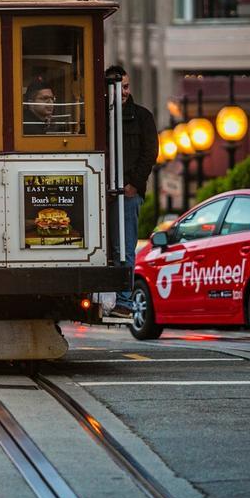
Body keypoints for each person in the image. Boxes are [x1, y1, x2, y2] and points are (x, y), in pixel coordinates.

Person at [105, 64, 158, 317]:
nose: (123, 92)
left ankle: (124, 301)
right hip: (104, 192)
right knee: (109, 248)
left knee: (125, 247)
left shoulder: (143, 117)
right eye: (118, 87)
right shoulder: (99, 116)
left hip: (128, 193)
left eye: (125, 86)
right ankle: (109, 297)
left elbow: (150, 154)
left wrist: (134, 185)